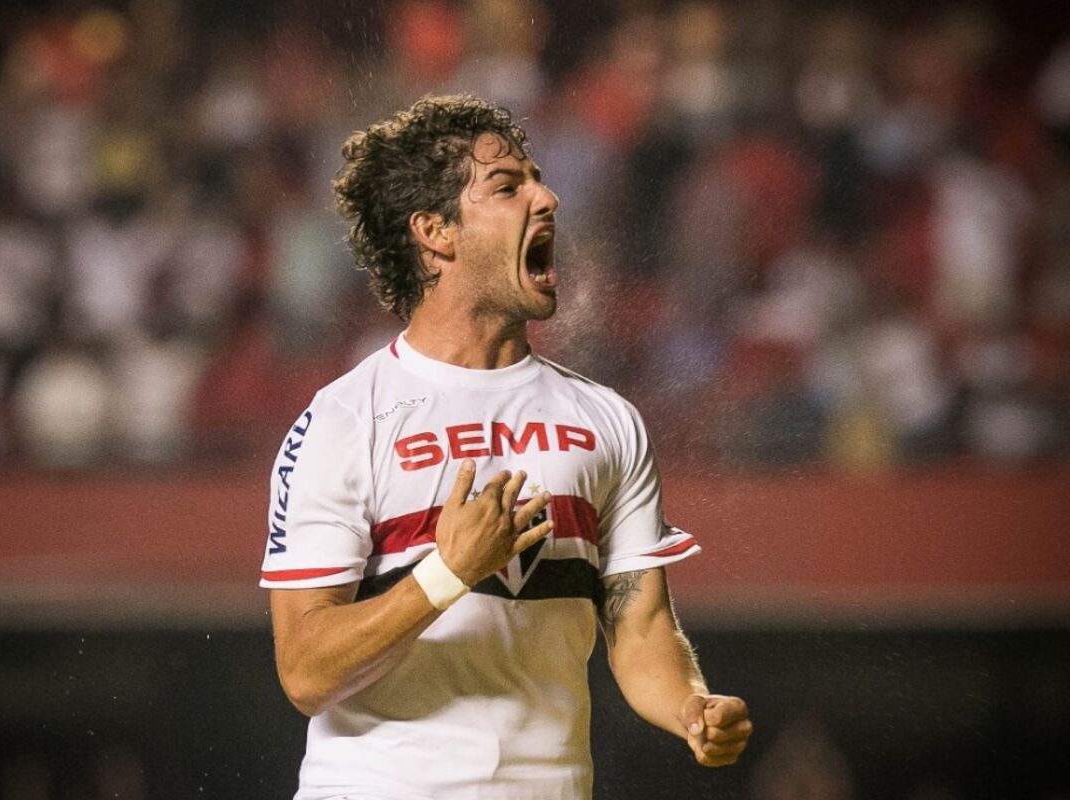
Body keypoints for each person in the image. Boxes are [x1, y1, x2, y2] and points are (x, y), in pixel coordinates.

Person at [260, 94, 752, 800]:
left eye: (537, 180)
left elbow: (639, 626)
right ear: (435, 232)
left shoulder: (608, 421)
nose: (547, 199)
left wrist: (690, 707)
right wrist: (447, 573)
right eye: (507, 185)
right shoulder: (342, 420)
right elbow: (306, 673)